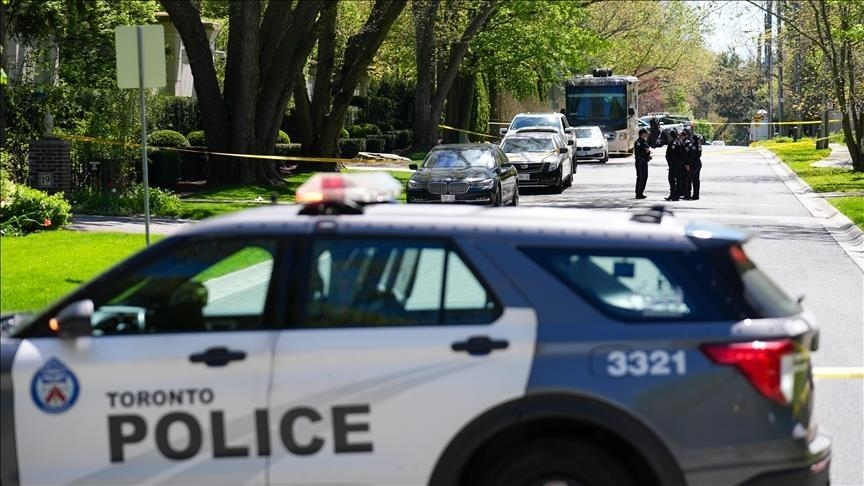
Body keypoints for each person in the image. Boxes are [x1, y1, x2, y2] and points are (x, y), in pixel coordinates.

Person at [664, 128, 684, 201]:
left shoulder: (673, 143)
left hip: (674, 164)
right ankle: (676, 195)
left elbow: (670, 155)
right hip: (679, 164)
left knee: (671, 179)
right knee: (678, 179)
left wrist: (670, 163)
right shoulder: (680, 142)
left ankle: (673, 195)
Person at [683, 128, 702, 200]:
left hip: (693, 164)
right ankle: (696, 195)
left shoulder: (693, 146)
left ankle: (687, 195)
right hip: (698, 163)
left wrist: (688, 164)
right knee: (696, 180)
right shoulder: (699, 145)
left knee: (688, 179)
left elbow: (692, 156)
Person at [634, 128, 651, 199]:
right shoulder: (638, 142)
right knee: (641, 177)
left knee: (644, 177)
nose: (647, 135)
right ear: (642, 134)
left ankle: (640, 192)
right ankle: (638, 193)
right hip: (640, 161)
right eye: (646, 133)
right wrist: (646, 152)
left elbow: (647, 150)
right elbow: (638, 152)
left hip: (644, 161)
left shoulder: (644, 141)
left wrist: (648, 154)